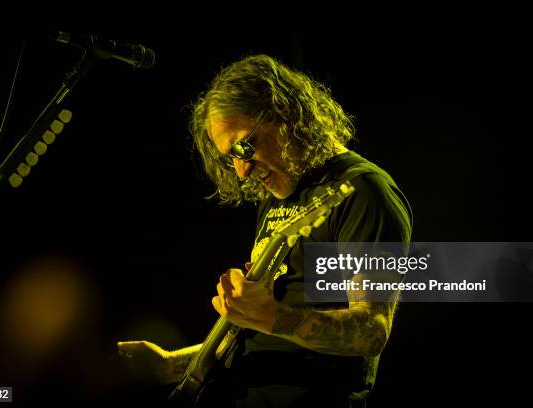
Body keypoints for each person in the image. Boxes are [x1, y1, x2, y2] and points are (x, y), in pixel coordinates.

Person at [118, 54, 412, 407]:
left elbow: (371, 331)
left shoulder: (362, 191)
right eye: (231, 157)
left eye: (243, 147)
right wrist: (170, 365)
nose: (241, 171)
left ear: (284, 113)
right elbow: (257, 332)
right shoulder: (278, 196)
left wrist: (273, 316)